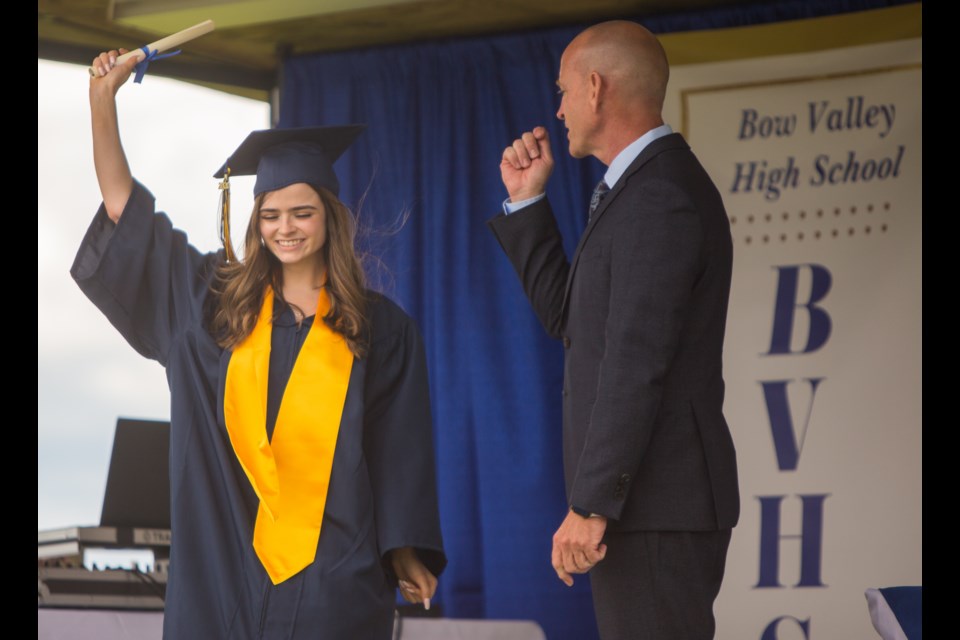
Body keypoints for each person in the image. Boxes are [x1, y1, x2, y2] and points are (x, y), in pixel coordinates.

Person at [74, 50, 446, 639]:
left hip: (331, 581)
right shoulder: (210, 306)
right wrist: (103, 104)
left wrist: (404, 550)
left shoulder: (380, 329)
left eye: (302, 212)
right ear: (255, 219)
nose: (286, 228)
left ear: (330, 217)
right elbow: (128, 215)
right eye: (271, 214)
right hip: (219, 574)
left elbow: (398, 449)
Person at [488, 21, 739, 640]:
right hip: (647, 506)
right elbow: (574, 323)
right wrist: (527, 201)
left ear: (595, 88)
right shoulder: (641, 186)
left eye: (564, 90)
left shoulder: (659, 194)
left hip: (654, 505)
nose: (560, 108)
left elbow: (636, 360)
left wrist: (592, 502)